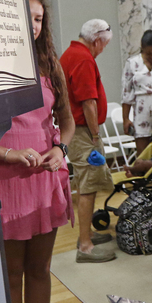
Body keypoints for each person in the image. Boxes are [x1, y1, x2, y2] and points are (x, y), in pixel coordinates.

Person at [0, 0, 75, 303]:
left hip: (45, 176)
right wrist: (9, 154)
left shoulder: (50, 65)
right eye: (26, 16)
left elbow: (67, 121)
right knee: (12, 273)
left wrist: (61, 149)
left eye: (38, 19)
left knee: (40, 270)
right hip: (9, 179)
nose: (32, 25)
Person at [59, 19, 117, 263]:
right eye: (103, 45)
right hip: (83, 132)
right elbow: (88, 102)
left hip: (77, 129)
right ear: (96, 40)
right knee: (88, 185)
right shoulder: (83, 58)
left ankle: (87, 234)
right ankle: (85, 245)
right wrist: (95, 136)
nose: (103, 50)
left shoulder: (71, 53)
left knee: (86, 182)